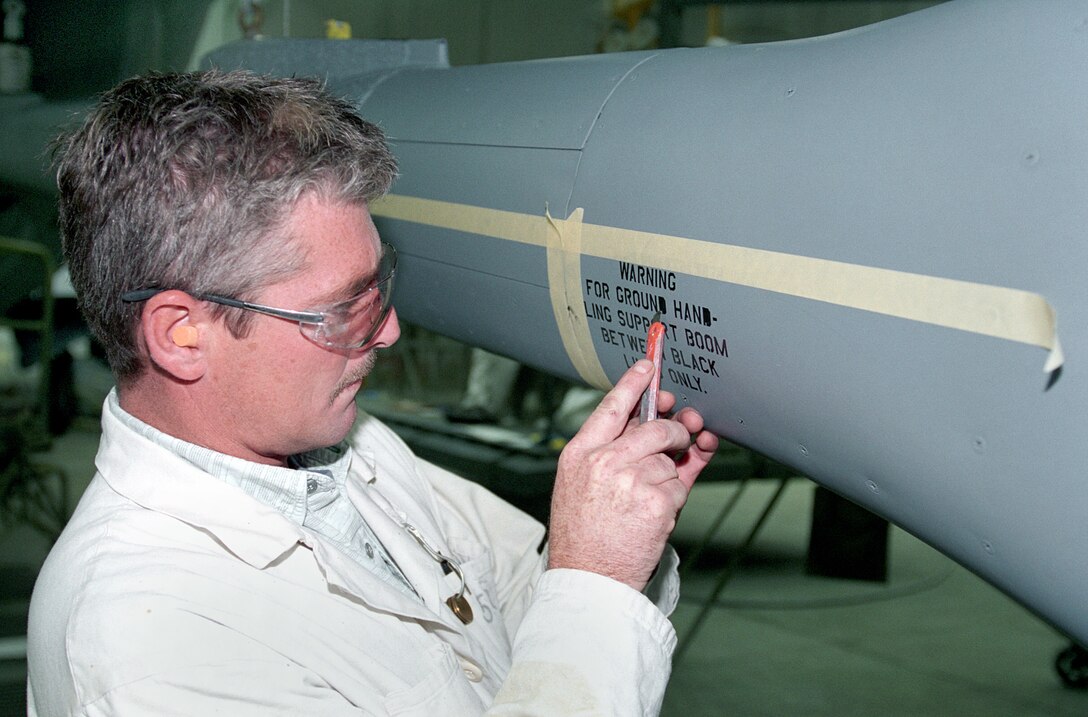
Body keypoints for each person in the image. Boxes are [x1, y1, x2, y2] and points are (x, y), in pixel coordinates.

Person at [27, 70, 718, 716]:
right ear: (181, 335)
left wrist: (623, 536)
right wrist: (595, 579)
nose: (387, 331)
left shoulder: (351, 452)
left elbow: (531, 594)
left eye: (377, 287)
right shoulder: (148, 639)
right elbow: (580, 593)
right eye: (339, 308)